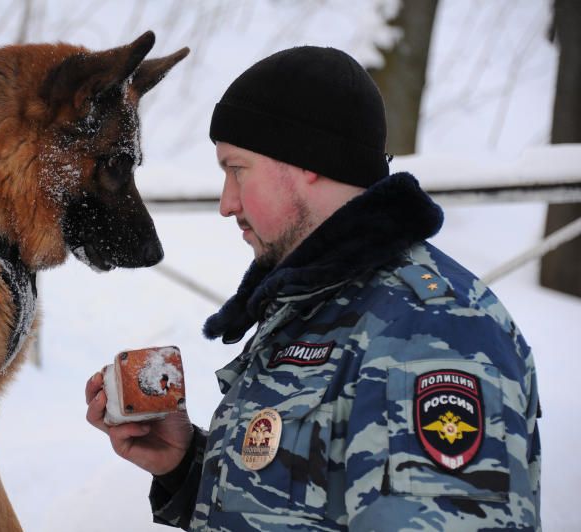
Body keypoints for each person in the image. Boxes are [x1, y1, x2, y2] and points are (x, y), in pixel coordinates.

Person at [85, 46, 541, 531]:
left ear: (306, 159)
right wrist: (186, 466)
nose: (226, 203)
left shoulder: (430, 335)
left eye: (236, 169)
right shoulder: (319, 304)